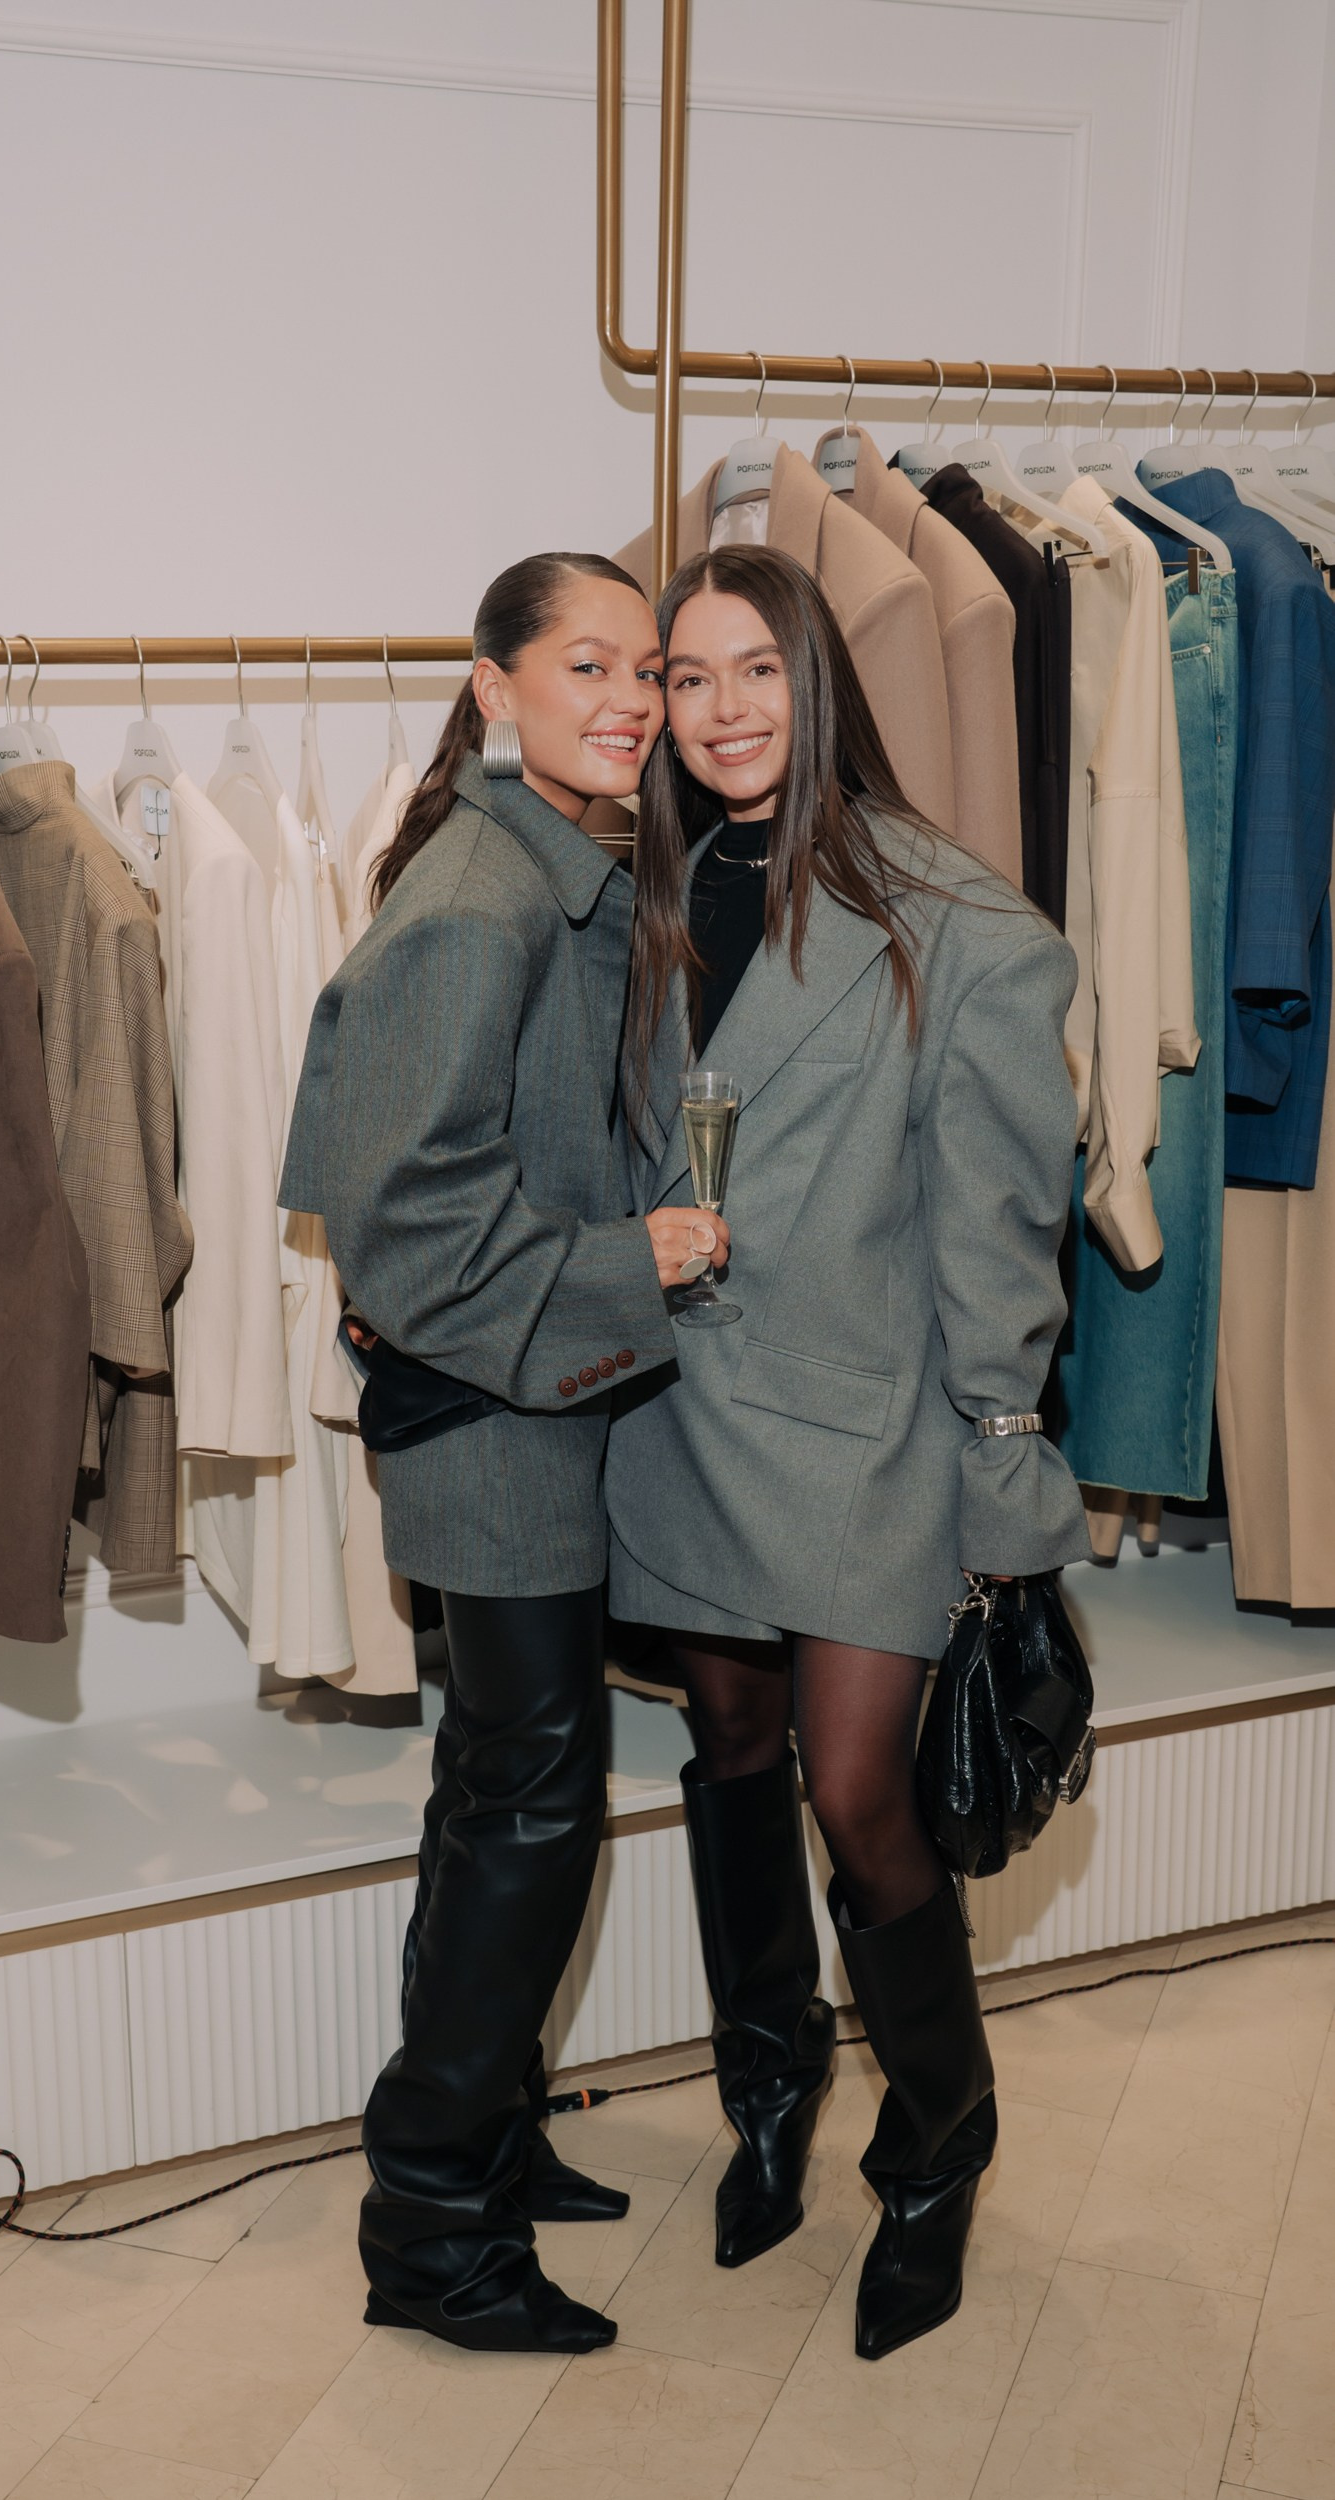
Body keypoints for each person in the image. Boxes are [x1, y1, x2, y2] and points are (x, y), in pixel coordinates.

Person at [608, 542, 1090, 2361]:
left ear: (818, 682)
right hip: (678, 1416)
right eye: (689, 676)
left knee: (859, 1794)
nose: (723, 710)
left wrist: (1001, 1477)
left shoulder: (960, 925)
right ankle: (767, 2085)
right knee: (730, 1749)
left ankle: (940, 2147)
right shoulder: (639, 891)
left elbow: (1000, 1235)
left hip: (868, 1435)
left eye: (759, 671)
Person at [280, 552, 722, 2356]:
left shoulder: (557, 873)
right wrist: (642, 1257)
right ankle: (433, 2231)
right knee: (534, 1810)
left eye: (648, 670)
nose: (630, 702)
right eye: (587, 666)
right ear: (494, 686)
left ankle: (484, 2141)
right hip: (495, 1419)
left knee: (498, 1796)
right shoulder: (481, 902)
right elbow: (406, 1226)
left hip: (524, 1404)